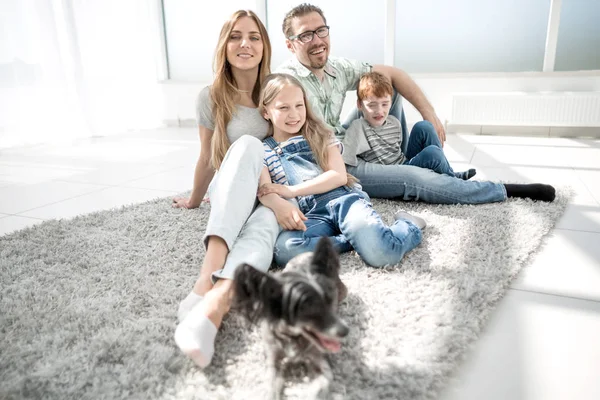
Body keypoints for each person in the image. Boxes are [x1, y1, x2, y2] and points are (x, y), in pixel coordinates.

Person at [277, 3, 556, 204]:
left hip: (345, 138)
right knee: (416, 179)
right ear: (291, 45)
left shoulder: (337, 68)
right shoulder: (286, 81)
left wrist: (429, 112)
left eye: (321, 31)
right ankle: (501, 189)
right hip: (336, 162)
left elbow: (395, 73)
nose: (317, 40)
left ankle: (399, 159)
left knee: (385, 84)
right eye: (305, 35)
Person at [171, 10, 279, 369]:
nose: (244, 44)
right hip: (233, 187)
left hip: (270, 194)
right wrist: (194, 200)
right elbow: (206, 158)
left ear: (264, 46)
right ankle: (207, 275)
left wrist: (276, 197)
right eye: (235, 36)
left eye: (253, 37)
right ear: (224, 45)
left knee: (263, 232)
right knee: (249, 144)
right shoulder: (211, 95)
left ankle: (214, 310)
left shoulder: (277, 90)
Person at [256, 73, 424, 268]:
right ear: (266, 112)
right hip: (310, 214)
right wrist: (278, 205)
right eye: (283, 108)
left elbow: (338, 176)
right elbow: (265, 190)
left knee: (382, 255)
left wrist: (292, 191)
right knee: (286, 250)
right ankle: (355, 239)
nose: (294, 114)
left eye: (299, 105)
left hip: (343, 200)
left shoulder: (321, 134)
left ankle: (408, 224)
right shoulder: (262, 149)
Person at [343, 71, 476, 181]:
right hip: (394, 173)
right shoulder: (358, 128)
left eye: (385, 104)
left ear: (390, 102)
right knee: (432, 153)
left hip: (405, 163)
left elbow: (399, 152)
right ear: (360, 105)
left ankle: (448, 172)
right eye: (372, 105)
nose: (379, 111)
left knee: (423, 126)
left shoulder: (394, 122)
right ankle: (453, 179)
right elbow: (346, 162)